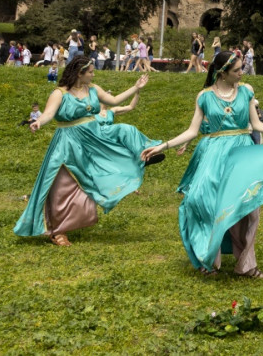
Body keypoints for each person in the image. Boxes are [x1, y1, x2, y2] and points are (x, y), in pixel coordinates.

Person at [140, 51, 263, 278]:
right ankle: (209, 258)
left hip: (242, 152)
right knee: (201, 201)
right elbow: (192, 131)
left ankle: (247, 265)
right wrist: (162, 146)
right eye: (237, 70)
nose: (242, 73)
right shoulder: (204, 96)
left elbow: (255, 124)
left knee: (249, 209)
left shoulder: (246, 92)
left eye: (242, 68)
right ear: (222, 73)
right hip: (213, 153)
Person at [14, 57, 161, 246]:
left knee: (108, 159)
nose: (93, 74)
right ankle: (57, 231)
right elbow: (49, 114)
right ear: (79, 73)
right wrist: (38, 122)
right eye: (90, 71)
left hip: (93, 138)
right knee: (62, 184)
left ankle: (143, 156)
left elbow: (114, 100)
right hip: (67, 141)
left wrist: (136, 87)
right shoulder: (59, 93)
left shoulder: (93, 89)